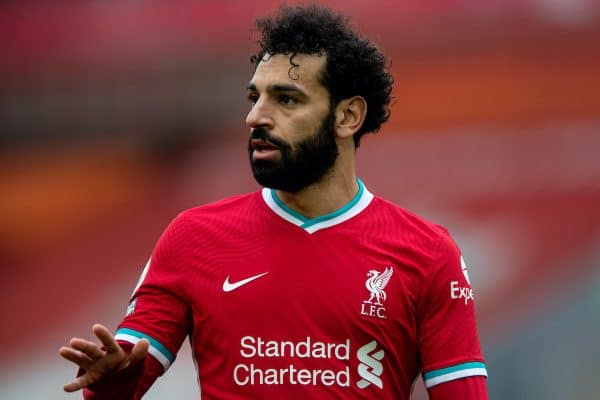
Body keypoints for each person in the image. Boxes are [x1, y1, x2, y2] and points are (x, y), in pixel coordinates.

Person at [59, 5, 488, 399]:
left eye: (286, 99)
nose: (256, 117)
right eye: (255, 97)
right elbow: (122, 378)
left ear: (347, 116)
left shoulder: (429, 253)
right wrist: (111, 381)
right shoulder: (193, 238)